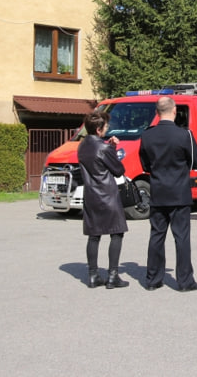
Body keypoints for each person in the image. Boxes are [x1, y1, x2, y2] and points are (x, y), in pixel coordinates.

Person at [139, 96, 197, 291]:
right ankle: (185, 281)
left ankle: (152, 280)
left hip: (158, 191)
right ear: (175, 111)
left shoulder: (147, 135)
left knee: (156, 236)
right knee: (181, 238)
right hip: (179, 193)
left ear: (157, 112)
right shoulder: (184, 134)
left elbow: (145, 165)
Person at [77, 111, 129, 289]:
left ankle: (93, 275)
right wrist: (113, 149)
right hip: (107, 194)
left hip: (91, 194)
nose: (107, 129)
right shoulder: (104, 148)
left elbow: (96, 160)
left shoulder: (82, 146)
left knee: (94, 235)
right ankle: (113, 275)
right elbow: (118, 170)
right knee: (116, 232)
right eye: (105, 126)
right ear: (99, 129)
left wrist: (110, 147)